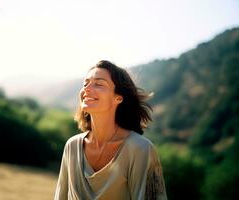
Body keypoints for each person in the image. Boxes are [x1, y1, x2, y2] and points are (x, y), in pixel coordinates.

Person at [54, 60, 167, 200]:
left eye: (99, 84)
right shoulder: (71, 146)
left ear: (118, 98)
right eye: (85, 83)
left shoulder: (140, 149)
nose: (87, 89)